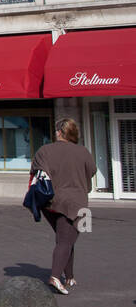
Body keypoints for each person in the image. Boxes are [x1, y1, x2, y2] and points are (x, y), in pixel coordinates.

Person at [28, 117, 96, 295]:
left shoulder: (45, 150)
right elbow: (93, 170)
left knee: (65, 239)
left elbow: (35, 170)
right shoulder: (83, 152)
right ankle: (55, 276)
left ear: (59, 132)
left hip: (50, 203)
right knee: (66, 240)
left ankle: (70, 276)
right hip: (76, 203)